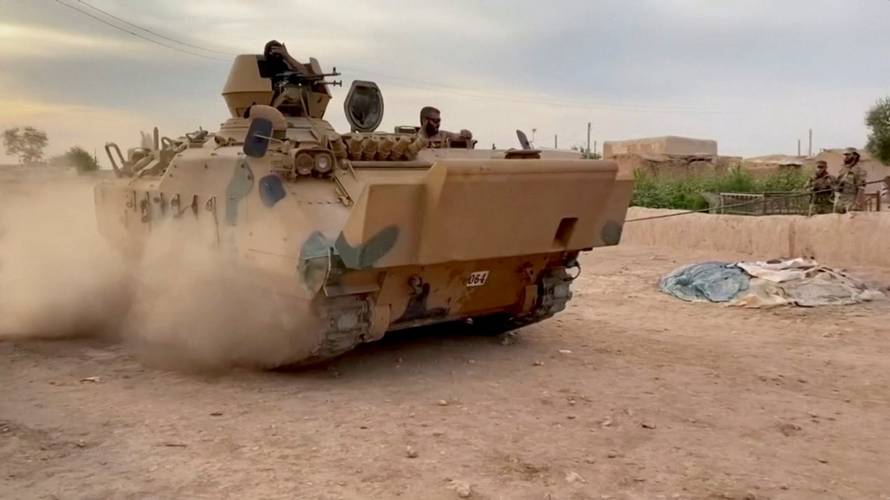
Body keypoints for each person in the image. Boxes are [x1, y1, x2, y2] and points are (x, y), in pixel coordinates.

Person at [834, 147, 867, 213]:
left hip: (852, 200)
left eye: (848, 155)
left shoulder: (860, 170)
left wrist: (857, 203)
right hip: (840, 200)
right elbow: (836, 185)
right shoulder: (842, 169)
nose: (845, 157)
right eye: (845, 155)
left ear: (855, 156)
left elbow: (861, 189)